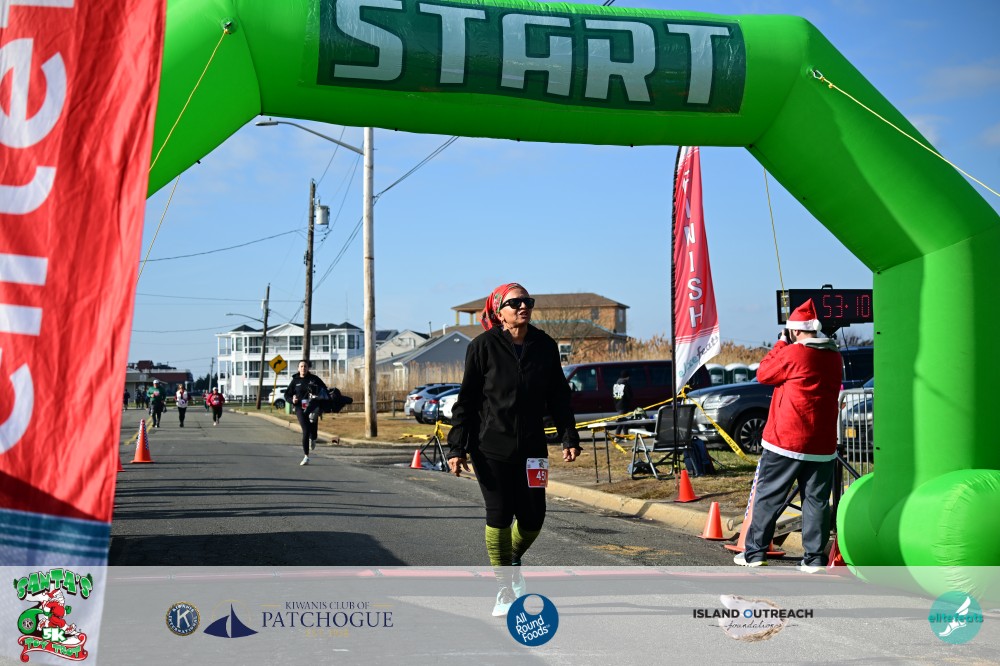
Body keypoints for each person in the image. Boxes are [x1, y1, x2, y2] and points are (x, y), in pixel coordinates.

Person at [447, 282, 581, 617]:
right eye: (515, 302)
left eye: (527, 301)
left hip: (533, 448)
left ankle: (512, 560)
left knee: (534, 518)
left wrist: (569, 436)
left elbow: (559, 395)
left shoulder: (545, 346)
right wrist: (457, 447)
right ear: (499, 311)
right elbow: (467, 401)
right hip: (490, 447)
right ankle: (504, 590)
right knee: (500, 514)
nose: (523, 306)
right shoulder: (482, 347)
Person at [733, 299, 842, 572]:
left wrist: (781, 343)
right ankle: (814, 558)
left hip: (787, 441)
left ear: (794, 331)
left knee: (769, 496)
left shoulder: (794, 353)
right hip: (822, 443)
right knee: (816, 501)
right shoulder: (834, 357)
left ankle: (755, 552)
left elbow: (763, 373)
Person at [284, 360, 330, 466]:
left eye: (305, 366)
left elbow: (325, 390)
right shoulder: (295, 381)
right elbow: (287, 395)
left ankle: (313, 438)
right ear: (298, 368)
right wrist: (292, 400)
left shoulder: (314, 379)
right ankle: (306, 456)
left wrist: (318, 395)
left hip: (313, 407)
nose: (303, 368)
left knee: (313, 429)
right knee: (306, 430)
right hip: (300, 408)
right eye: (301, 366)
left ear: (308, 368)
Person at [611, 370, 633, 440]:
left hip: (617, 405)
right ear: (627, 377)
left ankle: (626, 435)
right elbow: (629, 396)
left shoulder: (616, 384)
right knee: (621, 421)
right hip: (624, 405)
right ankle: (617, 436)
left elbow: (613, 395)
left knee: (624, 420)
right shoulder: (625, 385)